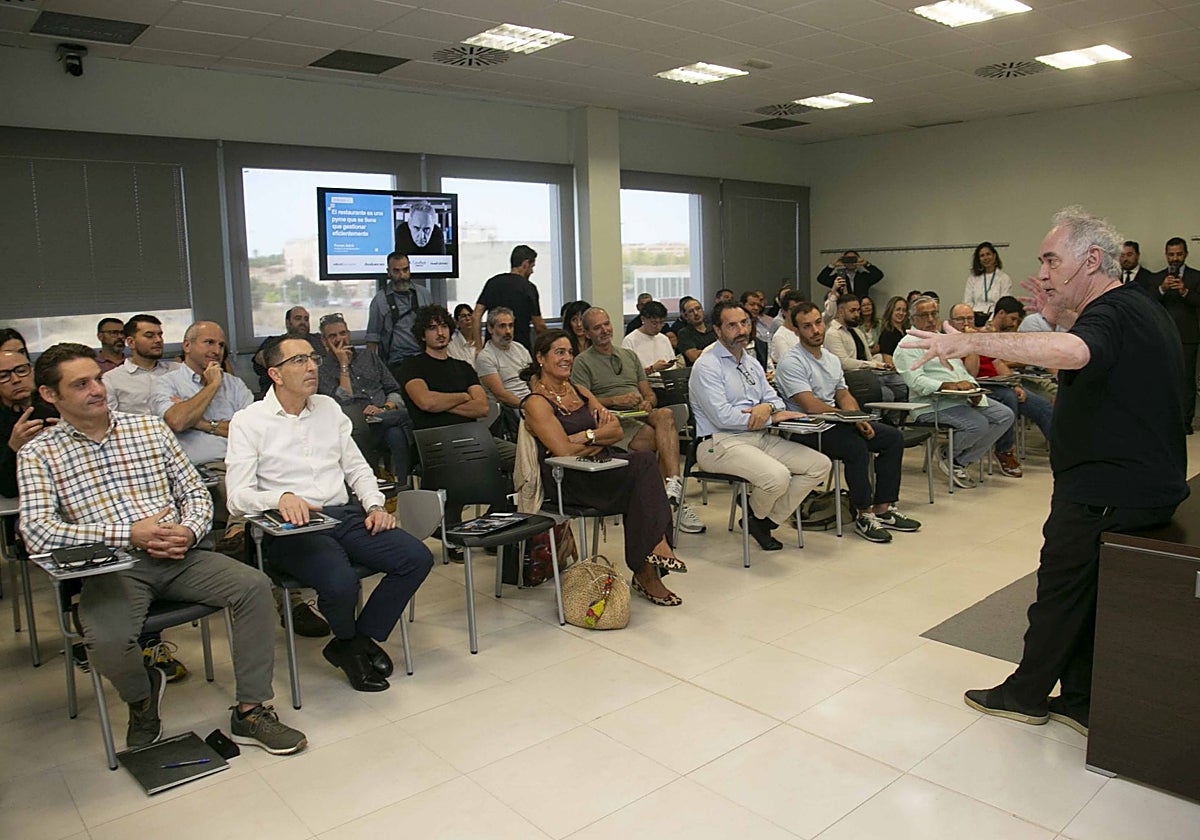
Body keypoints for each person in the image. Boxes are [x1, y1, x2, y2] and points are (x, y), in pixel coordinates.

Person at [903, 206, 1188, 737]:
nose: (1044, 272)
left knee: (1059, 591)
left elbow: (1076, 351)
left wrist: (974, 340)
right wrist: (1056, 312)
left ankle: (1026, 693)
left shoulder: (1113, 312)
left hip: (1105, 489)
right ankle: (1080, 698)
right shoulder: (1136, 307)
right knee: (1087, 595)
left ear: (1093, 260)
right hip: (1137, 483)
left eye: (1052, 260)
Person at [18, 343, 307, 754]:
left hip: (180, 554)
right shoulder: (39, 453)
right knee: (107, 641)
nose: (96, 390)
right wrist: (128, 534)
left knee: (253, 587)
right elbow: (38, 532)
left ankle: (250, 711)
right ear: (50, 395)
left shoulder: (148, 429)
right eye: (80, 385)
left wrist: (188, 531)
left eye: (97, 379)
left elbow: (196, 492)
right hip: (113, 568)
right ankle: (141, 696)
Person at [227, 336, 433, 693]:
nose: (311, 367)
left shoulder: (327, 408)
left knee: (415, 557)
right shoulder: (250, 422)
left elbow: (356, 468)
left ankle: (353, 643)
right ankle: (353, 649)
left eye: (313, 359)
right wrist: (281, 496)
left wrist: (374, 505)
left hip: (344, 515)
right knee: (340, 582)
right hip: (292, 527)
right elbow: (236, 498)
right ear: (275, 373)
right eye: (299, 361)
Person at [521, 329, 687, 606]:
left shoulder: (580, 391)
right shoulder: (537, 403)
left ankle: (649, 564)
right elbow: (562, 452)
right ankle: (651, 561)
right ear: (541, 358)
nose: (567, 358)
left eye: (570, 352)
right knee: (644, 465)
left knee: (642, 478)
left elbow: (614, 430)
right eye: (559, 352)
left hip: (601, 466)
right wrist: (595, 438)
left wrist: (585, 437)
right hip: (570, 479)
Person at [689, 301, 830, 551]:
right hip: (718, 443)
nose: (741, 330)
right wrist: (770, 416)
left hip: (758, 437)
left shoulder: (750, 361)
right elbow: (722, 416)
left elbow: (774, 399)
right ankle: (759, 517)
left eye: (744, 323)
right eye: (732, 325)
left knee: (819, 465)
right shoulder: (707, 365)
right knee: (778, 477)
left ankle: (762, 521)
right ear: (717, 330)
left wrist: (768, 408)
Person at [776, 303, 921, 543]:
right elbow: (810, 406)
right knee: (856, 447)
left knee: (891, 438)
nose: (815, 330)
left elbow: (843, 394)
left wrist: (856, 417)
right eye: (807, 326)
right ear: (797, 331)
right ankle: (863, 513)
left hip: (836, 422)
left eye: (818, 323)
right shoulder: (791, 362)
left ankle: (883, 509)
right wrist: (847, 420)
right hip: (807, 428)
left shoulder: (831, 359)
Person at [570, 307, 704, 534]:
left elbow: (649, 393)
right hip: (614, 419)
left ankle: (673, 486)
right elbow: (583, 403)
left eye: (606, 324)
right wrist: (615, 399)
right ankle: (675, 504)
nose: (604, 330)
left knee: (666, 415)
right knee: (659, 438)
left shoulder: (628, 356)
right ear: (587, 333)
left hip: (639, 413)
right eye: (597, 328)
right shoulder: (582, 362)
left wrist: (647, 402)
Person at [399, 305, 516, 540]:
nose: (439, 332)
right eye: (432, 328)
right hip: (434, 441)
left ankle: (493, 521)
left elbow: (482, 407)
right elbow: (425, 402)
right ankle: (453, 529)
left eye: (443, 326)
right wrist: (463, 396)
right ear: (423, 334)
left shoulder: (463, 368)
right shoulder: (412, 366)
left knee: (522, 457)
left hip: (473, 436)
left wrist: (442, 400)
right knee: (462, 463)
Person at [893, 297, 1013, 489]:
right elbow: (915, 381)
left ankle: (958, 459)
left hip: (961, 398)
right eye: (925, 315)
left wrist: (974, 389)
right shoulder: (907, 345)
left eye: (934, 314)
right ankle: (953, 457)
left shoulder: (943, 339)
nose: (931, 319)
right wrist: (948, 385)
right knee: (978, 424)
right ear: (912, 319)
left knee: (1005, 415)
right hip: (931, 404)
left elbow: (962, 373)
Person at [949, 301, 1053, 478]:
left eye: (970, 318)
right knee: (1008, 398)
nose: (966, 323)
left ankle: (1063, 451)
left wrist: (1016, 384)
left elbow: (997, 363)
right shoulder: (950, 343)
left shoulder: (981, 337)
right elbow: (969, 374)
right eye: (960, 319)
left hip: (1000, 383)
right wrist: (972, 345)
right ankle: (1005, 450)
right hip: (979, 386)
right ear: (951, 322)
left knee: (1042, 405)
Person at [317, 312, 413, 483]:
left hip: (384, 417)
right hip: (355, 425)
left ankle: (398, 484)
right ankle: (403, 482)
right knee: (405, 419)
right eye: (333, 336)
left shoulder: (369, 357)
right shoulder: (322, 369)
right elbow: (343, 402)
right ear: (324, 342)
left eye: (343, 333)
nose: (340, 339)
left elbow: (394, 390)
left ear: (349, 334)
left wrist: (384, 409)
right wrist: (343, 365)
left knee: (395, 433)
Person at [1139, 237, 1200, 435]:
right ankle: (1163, 419)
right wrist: (1162, 289)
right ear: (1166, 255)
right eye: (1171, 254)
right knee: (1160, 379)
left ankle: (1184, 421)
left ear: (1186, 254)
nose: (1175, 258)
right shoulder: (1155, 278)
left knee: (1187, 380)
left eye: (1179, 254)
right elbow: (1147, 303)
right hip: (1161, 336)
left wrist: (1184, 291)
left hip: (1188, 336)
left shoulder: (1196, 277)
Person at [365, 252, 433, 381]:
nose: (402, 275)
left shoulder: (423, 294)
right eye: (396, 271)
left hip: (427, 356)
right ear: (388, 272)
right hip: (398, 361)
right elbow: (372, 340)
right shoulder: (379, 301)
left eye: (405, 270)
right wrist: (372, 373)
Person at [473, 244, 546, 352]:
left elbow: (476, 315)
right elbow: (539, 326)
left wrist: (478, 348)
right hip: (520, 350)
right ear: (525, 264)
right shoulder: (528, 288)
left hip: (492, 350)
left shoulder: (492, 283)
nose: (532, 271)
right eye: (532, 267)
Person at [103, 314, 179, 416]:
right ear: (131, 342)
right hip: (139, 430)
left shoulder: (177, 370)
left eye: (160, 335)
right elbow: (111, 420)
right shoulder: (111, 379)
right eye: (149, 336)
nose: (158, 340)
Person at [475, 307, 532, 441]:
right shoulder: (486, 357)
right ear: (490, 329)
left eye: (510, 326)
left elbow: (533, 379)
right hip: (510, 410)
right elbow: (501, 394)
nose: (508, 331)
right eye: (502, 326)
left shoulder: (520, 348)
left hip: (530, 402)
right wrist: (528, 405)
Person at [252, 307, 325, 395]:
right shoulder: (274, 342)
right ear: (287, 322)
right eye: (298, 319)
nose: (303, 322)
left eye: (306, 319)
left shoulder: (318, 340)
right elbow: (261, 358)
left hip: (318, 393)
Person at [621, 300, 675, 375]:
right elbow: (628, 373)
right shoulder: (630, 340)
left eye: (661, 322)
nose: (658, 327)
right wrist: (653, 368)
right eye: (654, 323)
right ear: (643, 319)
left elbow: (673, 367)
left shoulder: (664, 339)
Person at [963, 241, 1012, 324]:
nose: (985, 258)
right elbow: (967, 302)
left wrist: (991, 321)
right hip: (975, 318)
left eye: (988, 254)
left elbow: (1003, 304)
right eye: (982, 256)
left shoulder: (1004, 278)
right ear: (979, 259)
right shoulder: (973, 278)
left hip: (995, 319)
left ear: (994, 255)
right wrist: (971, 320)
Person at [817, 250, 883, 299]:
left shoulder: (864, 277)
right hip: (843, 309)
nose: (851, 261)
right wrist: (832, 265)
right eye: (848, 259)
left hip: (861, 309)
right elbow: (821, 279)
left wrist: (866, 264)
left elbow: (879, 275)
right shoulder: (839, 277)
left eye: (853, 259)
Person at [675, 297, 717, 365]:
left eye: (698, 309)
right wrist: (718, 350)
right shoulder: (684, 333)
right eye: (691, 311)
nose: (696, 313)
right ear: (686, 316)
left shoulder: (714, 328)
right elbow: (693, 356)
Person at [877, 296, 909, 367]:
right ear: (891, 311)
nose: (901, 313)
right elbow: (889, 361)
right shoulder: (887, 334)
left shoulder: (907, 331)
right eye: (898, 309)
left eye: (904, 310)